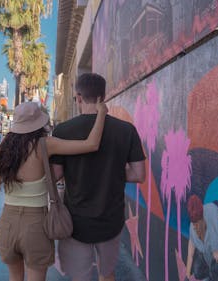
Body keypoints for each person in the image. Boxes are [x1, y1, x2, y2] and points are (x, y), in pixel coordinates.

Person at [0, 100, 108, 281]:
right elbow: (91, 144)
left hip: (7, 223)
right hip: (36, 224)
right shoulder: (45, 144)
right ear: (39, 124)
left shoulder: (2, 151)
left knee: (14, 277)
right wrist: (102, 113)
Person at [50, 73, 146, 281]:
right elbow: (139, 174)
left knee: (80, 276)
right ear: (103, 97)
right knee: (107, 273)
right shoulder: (126, 130)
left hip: (76, 222)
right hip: (111, 220)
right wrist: (112, 170)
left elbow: (55, 174)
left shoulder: (63, 130)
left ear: (78, 97)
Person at [186, 195, 218, 281]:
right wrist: (187, 276)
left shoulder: (213, 214)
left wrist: (216, 255)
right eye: (194, 225)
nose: (196, 228)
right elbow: (190, 255)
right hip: (205, 257)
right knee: (197, 271)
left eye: (198, 224)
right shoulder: (192, 227)